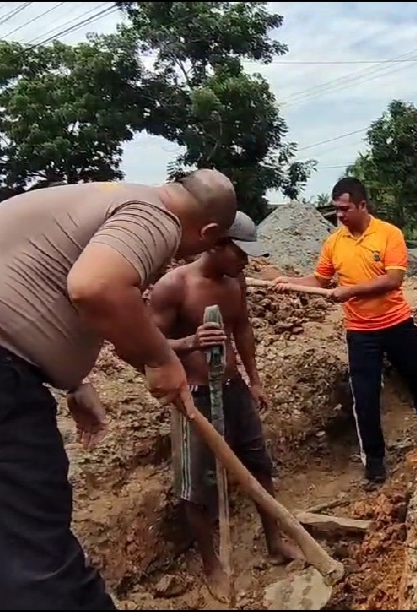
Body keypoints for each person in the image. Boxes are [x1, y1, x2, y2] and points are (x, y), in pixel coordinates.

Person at [0, 170, 237, 610]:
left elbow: (34, 284)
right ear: (208, 232)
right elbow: (97, 287)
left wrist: (75, 380)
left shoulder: (100, 198)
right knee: (30, 563)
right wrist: (160, 359)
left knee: (3, 550)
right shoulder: (156, 216)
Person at [148, 211, 302, 602]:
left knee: (259, 466)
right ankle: (212, 565)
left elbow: (243, 327)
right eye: (240, 252)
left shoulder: (236, 280)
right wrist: (189, 344)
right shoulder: (174, 286)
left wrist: (254, 378)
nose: (246, 261)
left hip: (233, 390)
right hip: (192, 399)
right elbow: (144, 346)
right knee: (195, 485)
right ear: (216, 244)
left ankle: (274, 542)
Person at [272, 177, 417, 485]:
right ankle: (374, 462)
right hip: (360, 333)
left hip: (397, 324)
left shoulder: (389, 234)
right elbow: (319, 282)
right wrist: (289, 283)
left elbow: (392, 280)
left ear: (362, 205)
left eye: (345, 209)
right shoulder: (334, 242)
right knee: (364, 396)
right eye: (336, 211)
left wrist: (350, 291)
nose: (340, 216)